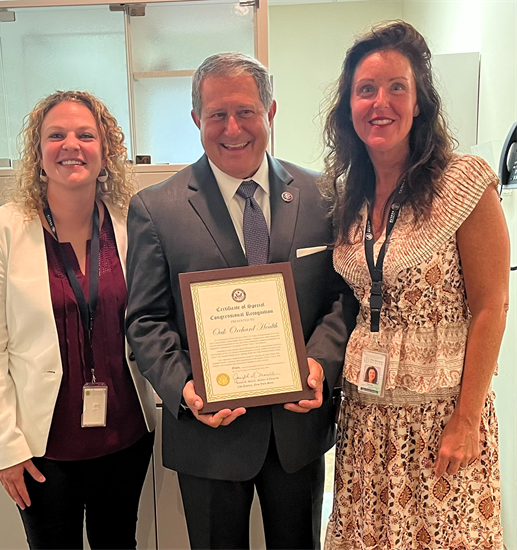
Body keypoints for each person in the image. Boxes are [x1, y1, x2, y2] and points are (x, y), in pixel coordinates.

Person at [125, 52, 358, 550]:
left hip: (296, 434)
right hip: (208, 435)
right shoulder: (155, 208)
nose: (233, 128)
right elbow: (145, 320)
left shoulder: (323, 196)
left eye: (246, 111)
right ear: (196, 120)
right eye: (217, 114)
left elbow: (342, 297)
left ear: (270, 111)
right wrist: (184, 387)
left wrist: (318, 362)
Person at [320, 21, 509, 550]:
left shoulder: (462, 182)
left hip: (440, 419)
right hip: (365, 419)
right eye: (366, 90)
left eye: (396, 87)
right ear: (348, 106)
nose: (380, 102)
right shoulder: (346, 197)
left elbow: (492, 305)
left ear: (420, 101)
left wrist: (468, 419)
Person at [0, 91, 156, 550]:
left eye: (85, 135)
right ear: (38, 154)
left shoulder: (134, 225)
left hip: (126, 436)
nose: (71, 145)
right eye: (56, 135)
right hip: (39, 449)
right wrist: (5, 450)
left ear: (105, 152)